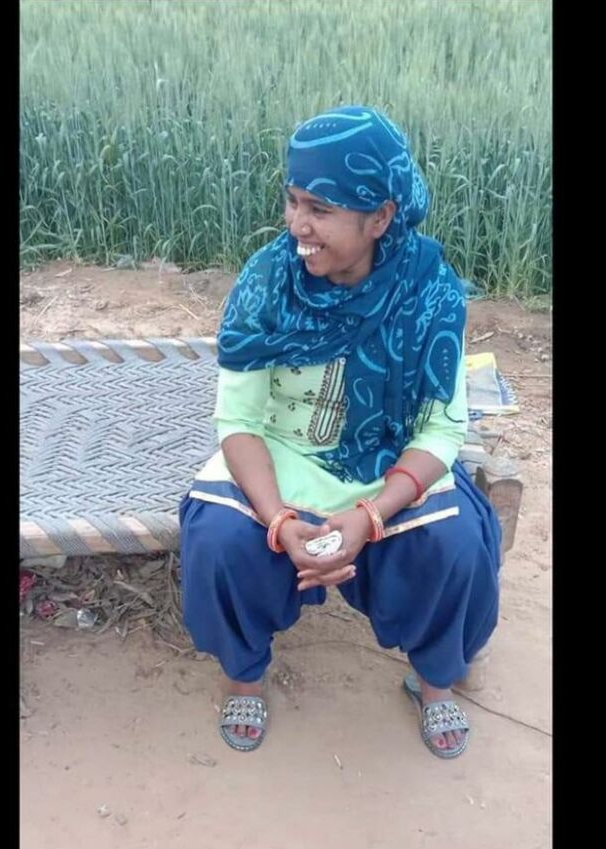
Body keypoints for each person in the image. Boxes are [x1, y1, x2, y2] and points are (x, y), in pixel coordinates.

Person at [179, 105, 501, 759]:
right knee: (218, 538)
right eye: (293, 200)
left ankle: (434, 679)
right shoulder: (267, 282)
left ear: (379, 217)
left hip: (387, 466)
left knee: (457, 544)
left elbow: (442, 430)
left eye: (320, 209)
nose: (297, 224)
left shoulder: (429, 292)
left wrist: (369, 516)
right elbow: (238, 421)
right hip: (281, 455)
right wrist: (277, 519)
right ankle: (244, 674)